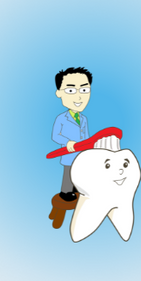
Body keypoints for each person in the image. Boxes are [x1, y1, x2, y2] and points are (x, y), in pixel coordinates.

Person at [47, 67, 93, 228]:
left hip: (83, 156)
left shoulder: (84, 118)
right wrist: (67, 143)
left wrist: (89, 148)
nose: (79, 96)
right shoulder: (61, 118)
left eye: (85, 89)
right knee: (67, 181)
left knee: (80, 179)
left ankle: (79, 196)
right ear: (59, 93)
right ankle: (65, 198)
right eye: (71, 90)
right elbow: (55, 136)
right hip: (68, 156)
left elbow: (86, 136)